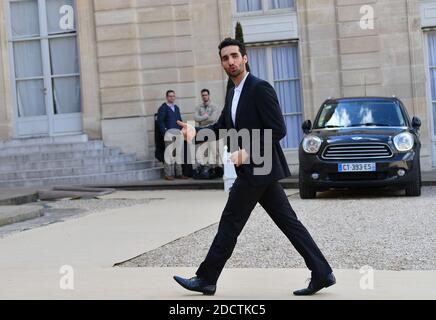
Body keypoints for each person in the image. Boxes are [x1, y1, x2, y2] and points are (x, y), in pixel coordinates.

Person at [174, 38, 335, 296]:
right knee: (288, 222)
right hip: (261, 172)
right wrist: (196, 132)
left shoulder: (260, 88)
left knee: (230, 222)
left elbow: (278, 130)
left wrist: (248, 152)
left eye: (235, 56)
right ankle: (322, 272)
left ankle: (206, 278)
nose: (230, 61)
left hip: (257, 169)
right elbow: (223, 127)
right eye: (225, 58)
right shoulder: (233, 93)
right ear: (222, 63)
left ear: (245, 58)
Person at [157, 90, 188, 181]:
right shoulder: (163, 108)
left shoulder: (176, 108)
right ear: (167, 97)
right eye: (170, 96)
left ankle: (179, 173)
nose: (172, 98)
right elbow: (160, 121)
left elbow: (179, 120)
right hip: (169, 133)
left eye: (173, 96)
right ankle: (168, 174)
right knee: (169, 154)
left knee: (178, 154)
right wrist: (165, 131)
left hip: (178, 133)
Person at [193, 89, 222, 178]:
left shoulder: (214, 106)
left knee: (214, 151)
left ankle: (217, 169)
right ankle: (206, 171)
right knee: (204, 152)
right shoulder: (199, 107)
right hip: (202, 132)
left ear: (209, 95)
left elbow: (213, 119)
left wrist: (202, 118)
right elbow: (195, 118)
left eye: (206, 95)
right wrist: (205, 116)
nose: (204, 96)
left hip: (211, 131)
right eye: (203, 95)